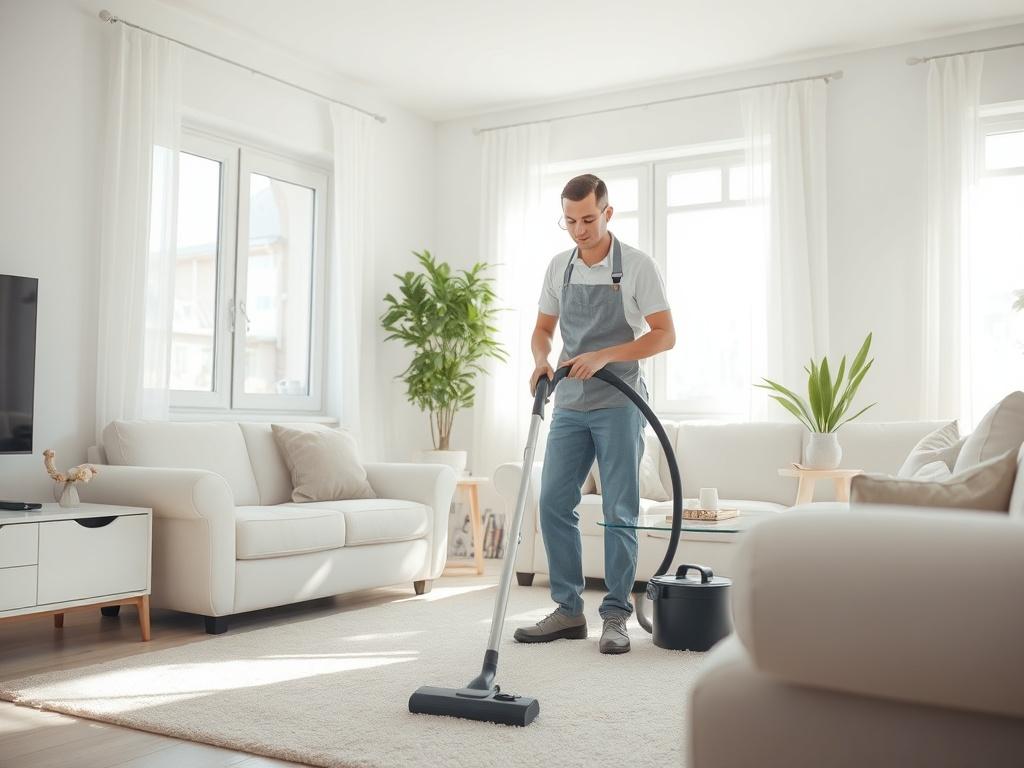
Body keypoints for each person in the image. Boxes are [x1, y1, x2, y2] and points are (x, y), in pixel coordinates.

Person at [513, 174, 675, 654]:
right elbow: (543, 328)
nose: (579, 230)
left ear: (608, 213)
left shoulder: (638, 267)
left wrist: (606, 355)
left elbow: (664, 334)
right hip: (568, 402)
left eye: (587, 219)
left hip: (620, 401)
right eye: (569, 221)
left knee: (618, 510)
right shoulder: (558, 267)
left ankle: (616, 615)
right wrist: (541, 359)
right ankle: (568, 610)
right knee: (552, 502)